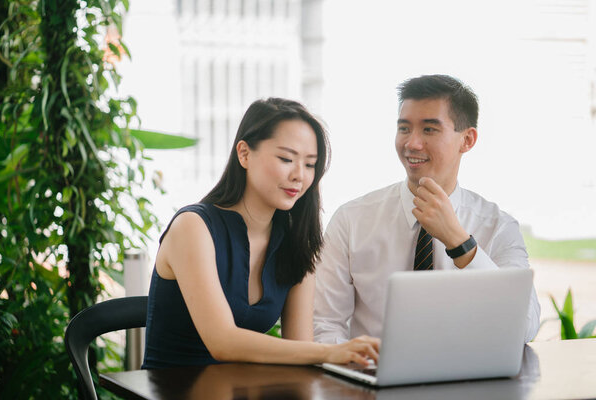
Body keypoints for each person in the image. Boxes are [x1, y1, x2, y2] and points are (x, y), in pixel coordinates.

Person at [142, 98, 379, 369]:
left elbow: (300, 349)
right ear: (244, 153)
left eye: (310, 164)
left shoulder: (296, 240)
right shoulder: (192, 227)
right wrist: (329, 352)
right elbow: (223, 342)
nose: (299, 175)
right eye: (286, 159)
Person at [314, 75, 541, 345]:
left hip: (467, 379)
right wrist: (351, 374)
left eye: (429, 130)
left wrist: (461, 243)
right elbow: (324, 323)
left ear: (467, 140)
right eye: (404, 128)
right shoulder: (351, 220)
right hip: (369, 378)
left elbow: (525, 326)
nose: (412, 143)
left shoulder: (498, 226)